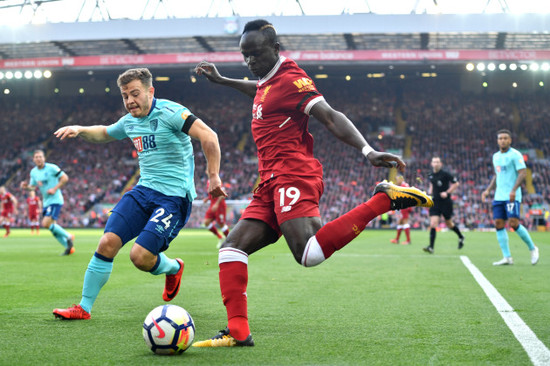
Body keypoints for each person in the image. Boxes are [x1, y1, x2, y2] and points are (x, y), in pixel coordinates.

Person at [192, 19, 433, 347]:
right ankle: (238, 331)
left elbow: (330, 115)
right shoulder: (267, 81)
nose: (250, 62)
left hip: (293, 173)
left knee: (308, 254)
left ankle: (384, 199)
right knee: (230, 249)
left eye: (256, 54)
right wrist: (223, 81)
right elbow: (261, 91)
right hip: (268, 182)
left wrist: (367, 150)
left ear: (275, 49)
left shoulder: (292, 79)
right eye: (245, 55)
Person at [51, 68, 225, 320]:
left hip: (174, 198)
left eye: (135, 94)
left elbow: (209, 136)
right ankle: (83, 308)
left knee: (140, 257)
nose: (130, 101)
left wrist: (213, 176)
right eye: (125, 96)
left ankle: (173, 267)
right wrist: (79, 128)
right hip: (143, 191)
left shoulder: (171, 112)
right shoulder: (129, 122)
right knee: (107, 242)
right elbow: (104, 132)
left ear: (150, 91)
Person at [481, 129, 539, 266]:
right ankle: (507, 257)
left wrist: (513, 190)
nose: (503, 140)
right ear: (497, 141)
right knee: (498, 224)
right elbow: (497, 175)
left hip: (512, 196)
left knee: (513, 223)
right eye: (500, 138)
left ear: (510, 140)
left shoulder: (515, 155)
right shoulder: (495, 156)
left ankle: (532, 248)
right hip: (498, 196)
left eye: (505, 138)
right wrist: (488, 190)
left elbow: (523, 173)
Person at [20, 150, 74, 253]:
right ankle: (69, 248)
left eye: (40, 157)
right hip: (46, 202)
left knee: (45, 223)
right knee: (51, 227)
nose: (39, 159)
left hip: (55, 200)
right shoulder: (34, 172)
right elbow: (32, 188)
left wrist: (55, 188)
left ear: (44, 158)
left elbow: (65, 178)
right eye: (36, 157)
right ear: (33, 159)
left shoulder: (52, 168)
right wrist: (26, 187)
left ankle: (68, 236)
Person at [422, 156, 465, 254]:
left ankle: (461, 236)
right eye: (434, 162)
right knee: (433, 224)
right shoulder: (431, 175)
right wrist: (429, 193)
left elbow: (456, 184)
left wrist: (447, 192)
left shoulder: (445, 174)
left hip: (446, 202)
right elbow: (432, 184)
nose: (436, 164)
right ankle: (431, 247)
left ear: (440, 164)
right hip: (435, 202)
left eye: (437, 162)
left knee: (449, 224)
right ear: (431, 164)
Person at [203, 183, 230, 248]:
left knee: (221, 224)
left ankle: (230, 241)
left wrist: (217, 204)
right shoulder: (209, 181)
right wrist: (207, 199)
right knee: (206, 222)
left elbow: (223, 194)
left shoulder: (217, 179)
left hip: (220, 206)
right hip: (212, 205)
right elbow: (213, 194)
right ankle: (220, 237)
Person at [390, 175, 413, 245]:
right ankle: (397, 239)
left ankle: (408, 240)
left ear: (401, 179)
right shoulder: (405, 185)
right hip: (405, 205)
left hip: (405, 206)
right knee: (400, 222)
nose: (396, 181)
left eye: (397, 179)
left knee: (405, 222)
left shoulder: (403, 186)